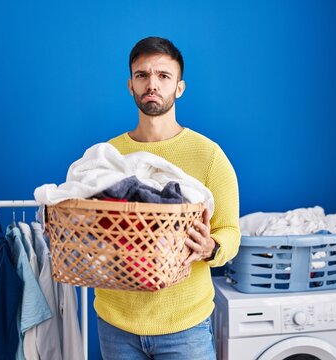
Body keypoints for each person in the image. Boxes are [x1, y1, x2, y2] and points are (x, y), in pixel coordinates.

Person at [94, 36, 241, 360]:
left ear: (180, 87)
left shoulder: (209, 156)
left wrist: (211, 248)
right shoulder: (108, 156)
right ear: (130, 85)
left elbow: (230, 230)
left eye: (163, 76)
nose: (152, 84)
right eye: (142, 75)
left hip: (184, 327)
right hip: (116, 323)